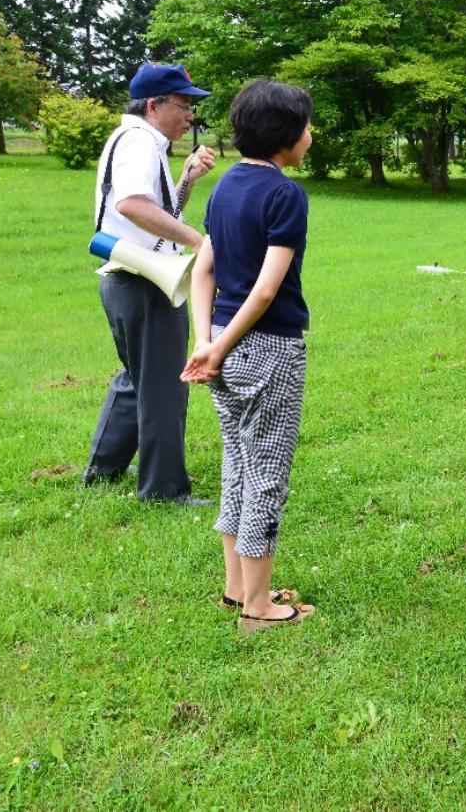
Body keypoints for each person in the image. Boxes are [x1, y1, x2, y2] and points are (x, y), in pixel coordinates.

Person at [180, 79, 317, 633]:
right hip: (265, 348)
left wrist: (206, 342)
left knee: (237, 460)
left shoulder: (227, 186)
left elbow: (203, 270)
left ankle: (237, 589)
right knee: (266, 473)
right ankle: (260, 609)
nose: (310, 134)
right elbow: (264, 292)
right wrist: (219, 345)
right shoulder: (286, 194)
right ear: (285, 136)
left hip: (222, 345)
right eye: (305, 126)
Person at [84, 62, 217, 505]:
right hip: (144, 282)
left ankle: (103, 470)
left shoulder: (140, 141)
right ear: (155, 105)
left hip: (127, 279)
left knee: (137, 379)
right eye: (184, 105)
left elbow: (158, 212)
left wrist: (185, 180)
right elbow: (132, 205)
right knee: (163, 385)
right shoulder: (140, 143)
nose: (190, 116)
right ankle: (162, 490)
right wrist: (198, 241)